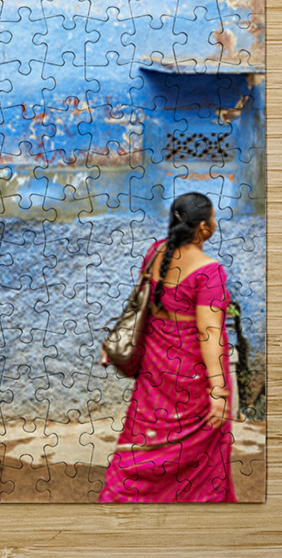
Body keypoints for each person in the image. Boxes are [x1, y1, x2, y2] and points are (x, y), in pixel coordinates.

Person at [100, 192, 236, 502]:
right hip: (195, 377)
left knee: (143, 438)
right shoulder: (209, 271)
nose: (215, 223)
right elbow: (210, 332)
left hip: (155, 367)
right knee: (200, 451)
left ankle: (125, 498)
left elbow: (141, 305)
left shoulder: (154, 253)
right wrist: (218, 391)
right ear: (203, 228)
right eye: (212, 218)